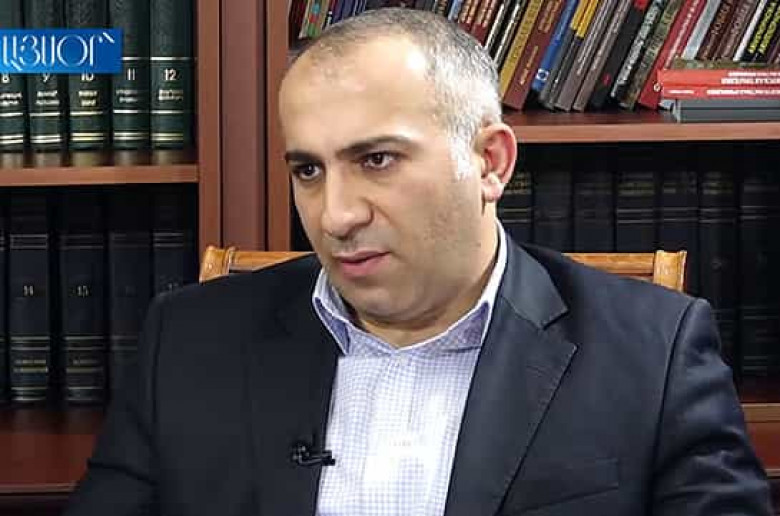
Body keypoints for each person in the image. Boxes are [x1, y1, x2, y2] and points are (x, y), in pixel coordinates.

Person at [65, 7, 772, 516]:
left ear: (490, 162)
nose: (336, 215)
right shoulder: (188, 340)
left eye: (376, 160)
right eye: (308, 170)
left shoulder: (653, 353)